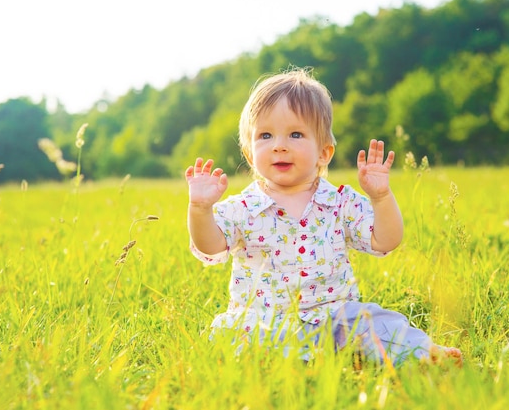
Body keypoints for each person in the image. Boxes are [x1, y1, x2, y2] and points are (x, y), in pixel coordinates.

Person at [185, 67, 461, 367]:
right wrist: (200, 210)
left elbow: (386, 240)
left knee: (378, 323)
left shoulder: (340, 202)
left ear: (323, 153)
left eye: (296, 134)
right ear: (250, 153)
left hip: (337, 316)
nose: (279, 144)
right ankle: (302, 363)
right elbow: (210, 246)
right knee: (244, 334)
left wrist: (381, 198)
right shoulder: (242, 208)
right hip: (268, 319)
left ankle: (423, 355)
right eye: (265, 135)